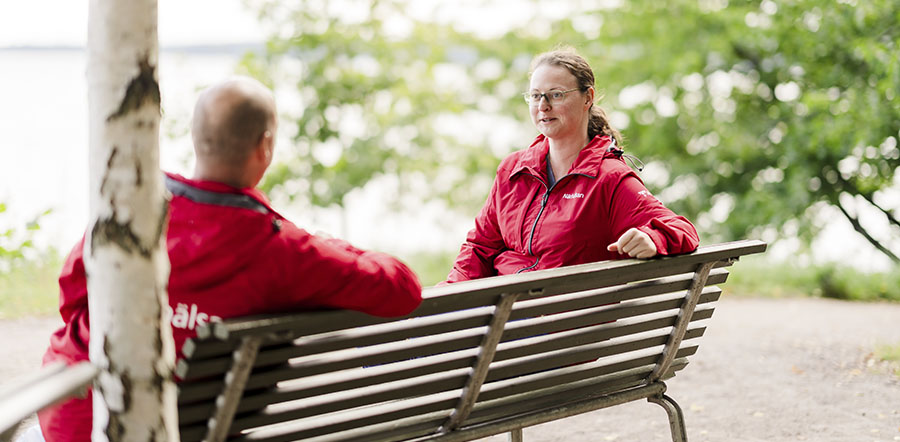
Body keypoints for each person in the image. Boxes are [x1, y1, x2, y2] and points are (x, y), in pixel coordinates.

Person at [36, 77, 423, 442]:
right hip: (189, 426)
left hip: (77, 416)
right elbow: (402, 288)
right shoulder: (284, 251)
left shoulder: (129, 209)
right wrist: (331, 242)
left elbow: (71, 297)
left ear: (195, 137)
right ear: (265, 145)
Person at [445, 48, 699, 283]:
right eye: (535, 96)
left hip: (554, 323)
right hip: (508, 315)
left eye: (556, 95)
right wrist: (447, 296)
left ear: (587, 97)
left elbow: (682, 229)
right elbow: (480, 248)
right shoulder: (513, 170)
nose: (543, 106)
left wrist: (653, 238)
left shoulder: (609, 178)